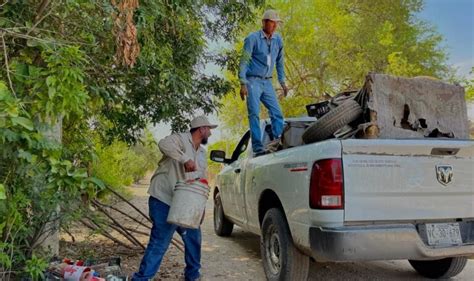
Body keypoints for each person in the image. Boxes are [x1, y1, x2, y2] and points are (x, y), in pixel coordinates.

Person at [131, 116, 217, 281]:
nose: (210, 133)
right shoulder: (179, 139)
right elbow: (163, 144)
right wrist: (185, 159)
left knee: (194, 239)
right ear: (201, 129)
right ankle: (141, 278)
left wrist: (201, 207)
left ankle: (192, 276)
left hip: (186, 204)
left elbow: (202, 178)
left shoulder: (202, 153)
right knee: (159, 242)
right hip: (164, 200)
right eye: (209, 129)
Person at [239, 9, 289, 156]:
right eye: (272, 23)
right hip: (252, 81)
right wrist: (243, 82)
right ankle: (258, 148)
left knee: (277, 112)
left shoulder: (278, 40)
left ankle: (278, 141)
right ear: (264, 22)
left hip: (267, 82)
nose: (274, 26)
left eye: (276, 23)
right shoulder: (252, 39)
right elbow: (244, 61)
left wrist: (282, 82)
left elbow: (280, 63)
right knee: (254, 114)